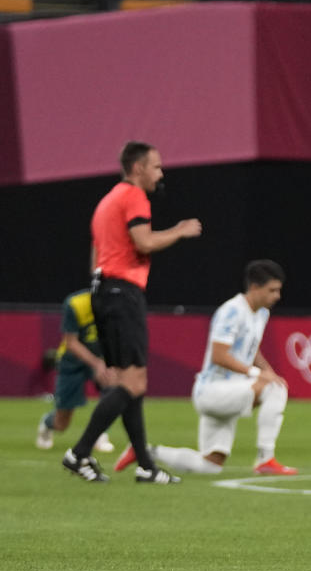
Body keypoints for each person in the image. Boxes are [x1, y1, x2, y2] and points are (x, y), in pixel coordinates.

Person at [62, 141, 201, 484]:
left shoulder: (107, 200)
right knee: (134, 382)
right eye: (156, 166)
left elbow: (97, 254)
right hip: (122, 293)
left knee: (130, 382)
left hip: (104, 291)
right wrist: (180, 231)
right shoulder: (133, 196)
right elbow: (144, 242)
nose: (160, 173)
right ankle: (79, 453)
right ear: (138, 168)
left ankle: (145, 466)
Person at [116, 260, 297, 476]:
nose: (277, 296)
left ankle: (143, 451)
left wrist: (270, 373)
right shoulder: (232, 311)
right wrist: (259, 375)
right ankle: (265, 459)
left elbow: (252, 349)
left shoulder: (261, 313)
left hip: (231, 390)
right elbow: (220, 355)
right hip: (213, 391)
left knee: (210, 466)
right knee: (275, 390)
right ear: (255, 287)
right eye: (272, 290)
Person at [35, 288, 115, 453]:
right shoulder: (75, 303)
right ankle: (47, 423)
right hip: (72, 361)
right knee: (62, 423)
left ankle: (99, 434)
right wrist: (97, 364)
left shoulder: (117, 306)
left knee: (114, 390)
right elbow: (71, 343)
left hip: (101, 357)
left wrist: (110, 363)